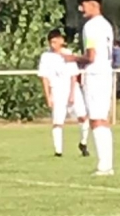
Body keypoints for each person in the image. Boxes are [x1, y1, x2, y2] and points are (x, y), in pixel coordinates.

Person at [74, 0, 115, 176]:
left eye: (82, 5)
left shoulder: (90, 26)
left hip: (95, 74)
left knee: (96, 120)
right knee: (101, 119)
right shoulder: (106, 25)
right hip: (106, 72)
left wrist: (72, 59)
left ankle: (104, 165)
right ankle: (106, 163)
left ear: (93, 4)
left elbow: (90, 56)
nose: (80, 9)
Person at [38, 29, 89, 158]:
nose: (53, 45)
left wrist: (72, 94)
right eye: (51, 42)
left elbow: (73, 75)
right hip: (57, 90)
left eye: (56, 41)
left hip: (72, 89)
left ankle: (83, 142)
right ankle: (58, 151)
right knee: (58, 121)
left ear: (61, 41)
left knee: (83, 117)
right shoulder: (46, 57)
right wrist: (48, 96)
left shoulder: (67, 54)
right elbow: (44, 77)